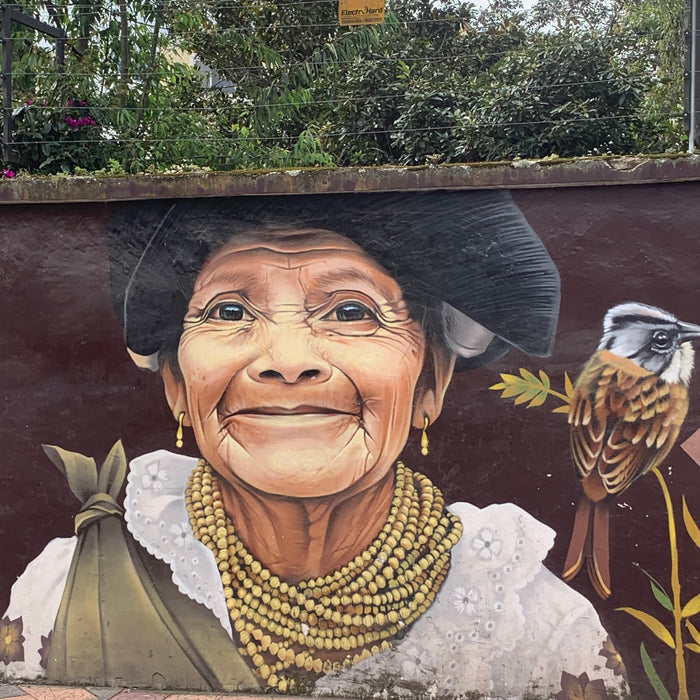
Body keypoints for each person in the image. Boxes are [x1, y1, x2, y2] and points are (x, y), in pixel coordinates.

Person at [0, 192, 627, 698]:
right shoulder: (66, 591)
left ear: (429, 384)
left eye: (351, 311)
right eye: (228, 312)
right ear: (176, 386)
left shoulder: (530, 632)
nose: (289, 361)